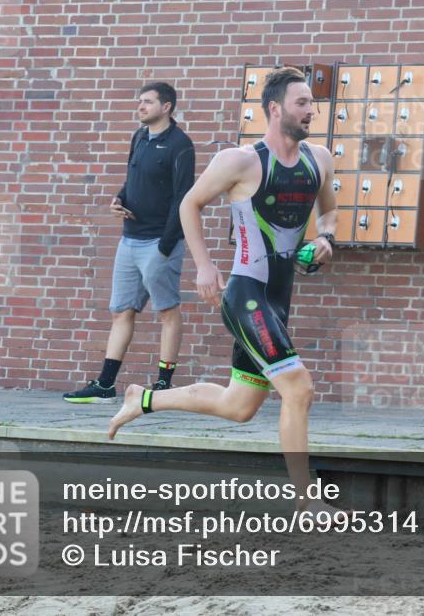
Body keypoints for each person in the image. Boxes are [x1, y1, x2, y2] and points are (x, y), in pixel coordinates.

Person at [107, 67, 340, 514]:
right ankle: (306, 502)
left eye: (312, 102)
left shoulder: (320, 159)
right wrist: (204, 265)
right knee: (298, 389)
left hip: (278, 298)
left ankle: (146, 398)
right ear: (275, 109)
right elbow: (189, 203)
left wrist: (326, 240)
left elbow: (329, 213)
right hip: (245, 296)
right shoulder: (240, 161)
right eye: (302, 103)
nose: (311, 110)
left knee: (239, 406)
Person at [64, 82, 196, 403]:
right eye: (140, 101)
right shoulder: (139, 137)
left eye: (147, 102)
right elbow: (132, 178)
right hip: (130, 240)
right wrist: (119, 199)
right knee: (121, 312)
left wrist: (166, 244)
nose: (140, 107)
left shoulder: (181, 145)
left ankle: (163, 385)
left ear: (166, 107)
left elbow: (185, 197)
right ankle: (106, 385)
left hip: (159, 243)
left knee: (167, 312)